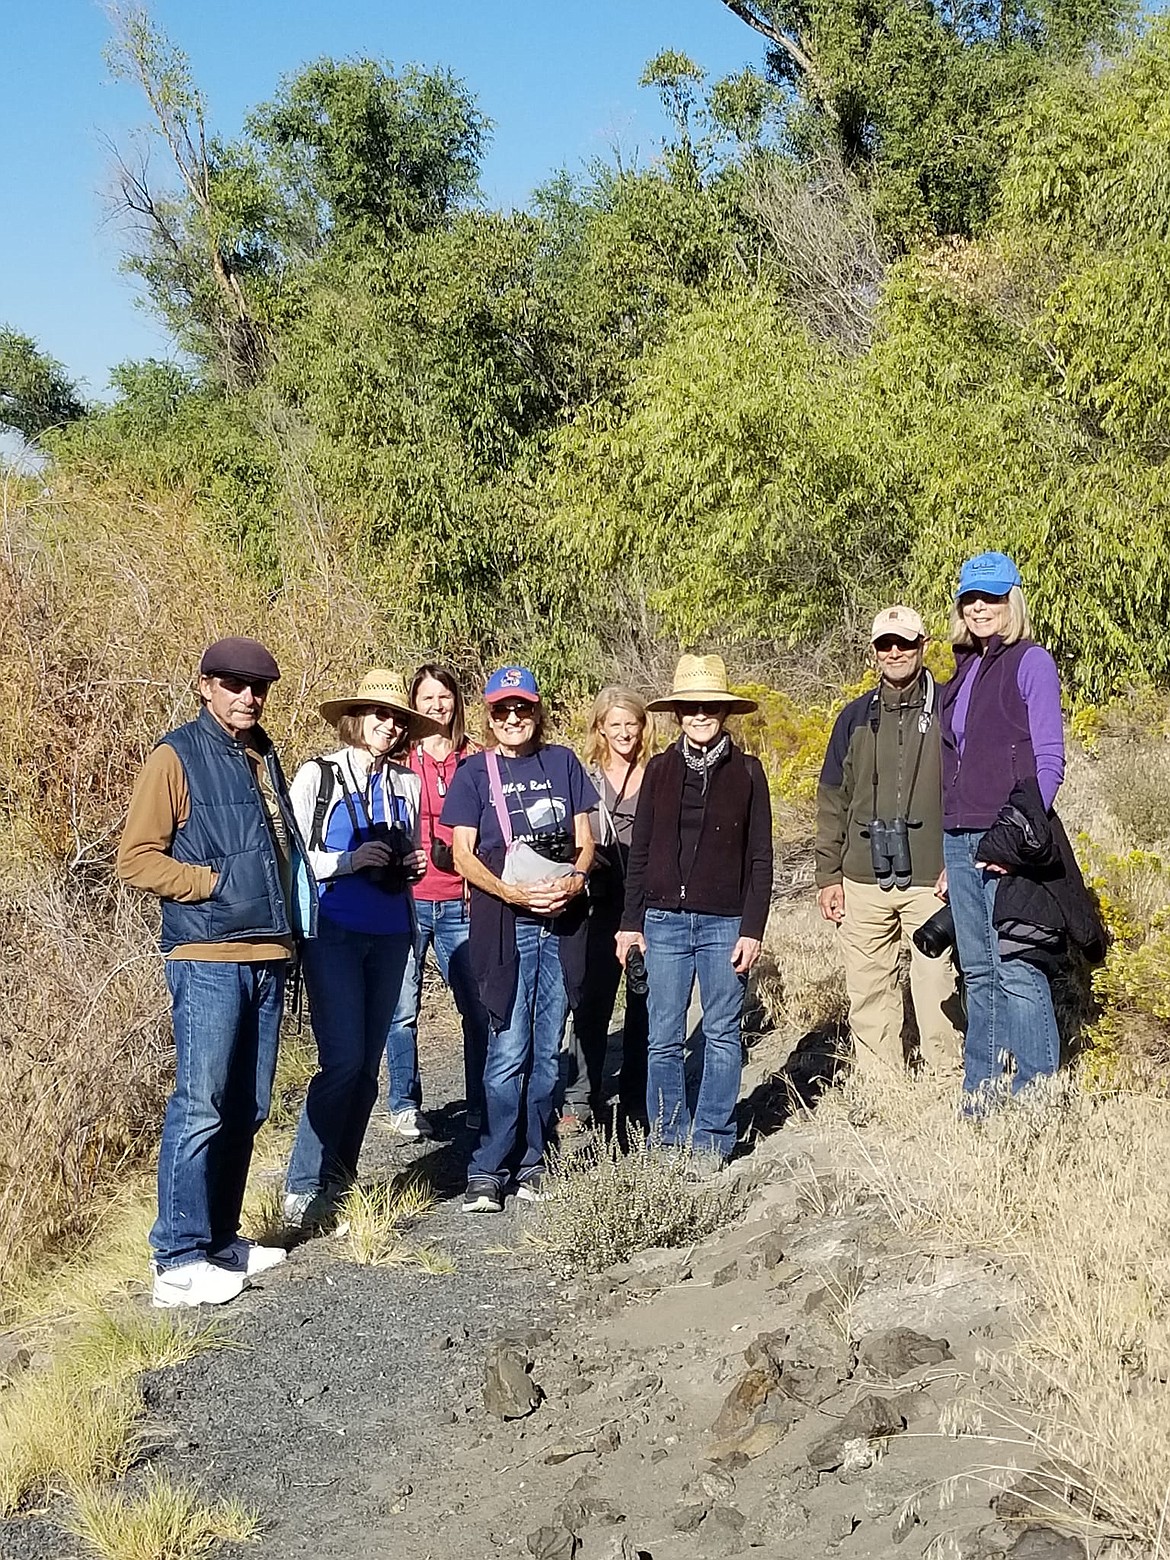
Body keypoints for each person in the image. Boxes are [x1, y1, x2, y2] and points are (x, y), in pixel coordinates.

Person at [117, 637, 316, 1308]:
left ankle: (220, 1242)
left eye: (258, 685)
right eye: (234, 684)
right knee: (200, 1105)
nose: (248, 696)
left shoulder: (262, 752)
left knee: (249, 1106)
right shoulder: (175, 755)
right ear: (205, 685)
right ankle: (175, 1258)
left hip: (267, 952)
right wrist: (210, 883)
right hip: (206, 955)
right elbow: (137, 858)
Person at [282, 670, 442, 1229]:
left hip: (393, 929)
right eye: (379, 713)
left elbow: (408, 849)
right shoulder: (317, 775)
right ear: (357, 716)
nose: (389, 724)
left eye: (398, 717)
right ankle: (301, 1185)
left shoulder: (407, 783)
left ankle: (337, 1181)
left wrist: (411, 866)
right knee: (342, 1060)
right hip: (333, 930)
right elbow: (297, 857)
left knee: (369, 1066)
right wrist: (349, 862)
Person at [441, 667, 597, 1213]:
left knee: (548, 1052)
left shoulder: (564, 763)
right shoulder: (472, 775)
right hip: (505, 925)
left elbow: (586, 840)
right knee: (507, 1049)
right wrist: (512, 894)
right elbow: (461, 854)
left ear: (537, 711)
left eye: (522, 708)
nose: (513, 718)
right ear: (488, 714)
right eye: (503, 709)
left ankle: (535, 1160)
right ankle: (489, 1165)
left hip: (561, 922)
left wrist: (574, 881)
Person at [617, 655, 773, 1163]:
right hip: (662, 922)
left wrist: (752, 929)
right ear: (677, 713)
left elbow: (760, 857)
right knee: (663, 1036)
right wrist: (629, 923)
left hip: (725, 923)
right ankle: (667, 1142)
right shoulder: (659, 771)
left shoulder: (748, 773)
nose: (700, 715)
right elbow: (638, 853)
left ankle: (711, 1140)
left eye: (709, 707)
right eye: (690, 707)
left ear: (724, 713)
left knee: (723, 1034)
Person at [938, 551, 1066, 1104]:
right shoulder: (964, 669)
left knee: (1016, 963)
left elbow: (1050, 758)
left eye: (989, 597)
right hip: (959, 834)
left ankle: (1037, 1093)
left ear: (1012, 599)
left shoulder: (1030, 661)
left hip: (1007, 834)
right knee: (979, 969)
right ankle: (982, 1092)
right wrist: (952, 850)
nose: (979, 607)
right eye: (970, 598)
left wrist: (1015, 836)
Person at [815, 607, 963, 1078]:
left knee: (938, 981)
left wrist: (958, 862)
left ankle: (945, 1076)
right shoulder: (854, 717)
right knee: (868, 986)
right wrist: (827, 875)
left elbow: (972, 790)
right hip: (861, 875)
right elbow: (832, 797)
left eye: (904, 643)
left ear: (923, 645)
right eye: (885, 645)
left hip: (932, 877)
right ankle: (883, 1086)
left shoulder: (950, 706)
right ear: (873, 652)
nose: (894, 652)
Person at [384, 663, 490, 1134]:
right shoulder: (399, 759)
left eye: (444, 697)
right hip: (408, 900)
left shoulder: (477, 760)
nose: (437, 706)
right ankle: (404, 1103)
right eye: (426, 698)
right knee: (402, 1007)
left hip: (462, 901)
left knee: (477, 1005)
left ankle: (482, 1101)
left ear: (456, 703)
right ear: (414, 705)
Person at [561, 686, 652, 1133]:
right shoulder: (584, 779)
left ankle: (637, 1098)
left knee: (646, 1004)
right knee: (590, 1004)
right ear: (600, 728)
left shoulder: (658, 774)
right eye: (614, 724)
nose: (623, 733)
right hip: (596, 905)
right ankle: (580, 1098)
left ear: (643, 726)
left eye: (630, 723)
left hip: (647, 905)